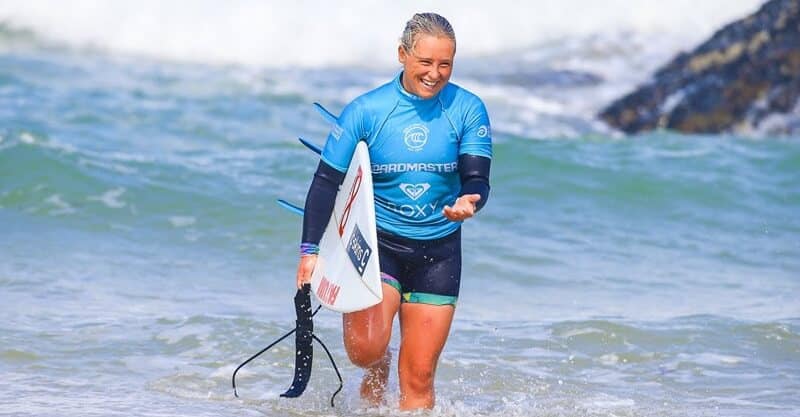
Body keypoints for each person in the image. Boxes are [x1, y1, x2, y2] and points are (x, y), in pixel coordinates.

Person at [294, 12, 492, 410]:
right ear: (402, 54)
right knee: (366, 351)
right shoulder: (367, 111)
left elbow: (476, 177)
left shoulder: (468, 109)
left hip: (439, 250)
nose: (435, 74)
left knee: (418, 379)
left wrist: (470, 200)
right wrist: (309, 252)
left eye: (445, 64)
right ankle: (378, 362)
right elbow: (326, 182)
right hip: (376, 244)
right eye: (425, 62)